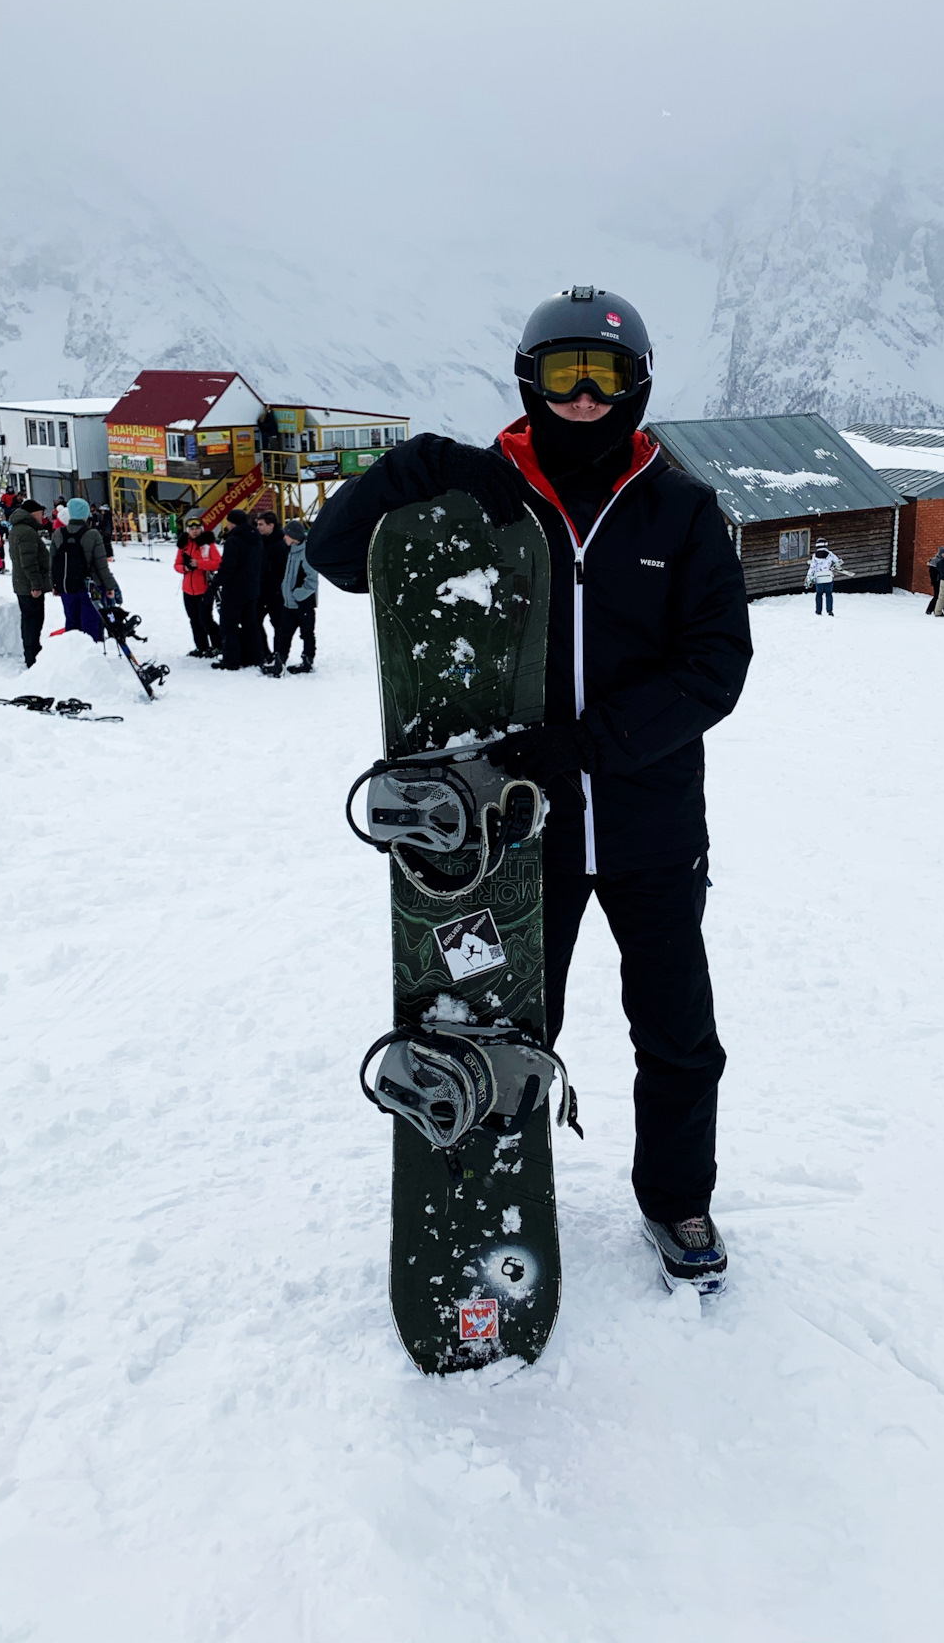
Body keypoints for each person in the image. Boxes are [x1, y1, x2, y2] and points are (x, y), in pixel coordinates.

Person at [306, 286, 753, 1293]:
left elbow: (715, 665)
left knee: (679, 1036)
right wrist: (410, 469)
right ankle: (483, 1195)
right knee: (503, 1027)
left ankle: (678, 1200)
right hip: (514, 837)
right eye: (562, 375)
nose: (583, 397)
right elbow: (336, 558)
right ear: (528, 381)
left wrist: (586, 748)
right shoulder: (476, 501)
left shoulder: (682, 512)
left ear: (635, 387)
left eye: (601, 377)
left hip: (652, 827)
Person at [51, 498, 113, 640]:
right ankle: (92, 654)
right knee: (91, 623)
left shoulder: (58, 534)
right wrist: (109, 586)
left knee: (72, 622)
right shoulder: (93, 534)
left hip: (67, 585)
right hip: (92, 586)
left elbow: (53, 562)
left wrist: (54, 584)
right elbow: (101, 564)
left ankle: (74, 654)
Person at [210, 509, 262, 670]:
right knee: (250, 624)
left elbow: (228, 566)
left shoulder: (234, 540)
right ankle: (254, 657)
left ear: (231, 522)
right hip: (252, 587)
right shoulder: (256, 537)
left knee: (229, 625)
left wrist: (215, 583)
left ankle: (231, 660)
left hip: (234, 590)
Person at [264, 519, 318, 674]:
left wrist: (296, 595)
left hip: (303, 603)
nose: (284, 538)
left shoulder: (306, 553)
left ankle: (307, 661)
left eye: (286, 535)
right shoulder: (293, 550)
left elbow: (311, 581)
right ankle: (279, 664)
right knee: (283, 634)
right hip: (289, 602)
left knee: (306, 633)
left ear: (293, 536)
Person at [8, 496, 52, 667]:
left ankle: (32, 651)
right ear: (33, 513)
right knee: (33, 621)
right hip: (29, 586)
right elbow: (28, 561)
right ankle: (32, 655)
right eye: (40, 513)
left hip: (22, 584)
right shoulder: (26, 532)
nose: (42, 517)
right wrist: (36, 584)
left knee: (30, 620)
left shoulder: (19, 529)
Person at [174, 512, 221, 656]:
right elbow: (177, 564)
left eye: (197, 528)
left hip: (204, 588)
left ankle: (218, 645)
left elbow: (218, 563)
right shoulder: (184, 545)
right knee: (194, 620)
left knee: (205, 619)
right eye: (192, 528)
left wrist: (199, 563)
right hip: (188, 589)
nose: (195, 531)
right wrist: (185, 568)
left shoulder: (208, 545)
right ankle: (201, 647)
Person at [255, 511, 289, 658]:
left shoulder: (281, 544)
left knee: (279, 625)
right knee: (254, 621)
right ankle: (264, 652)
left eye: (261, 524)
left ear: (271, 525)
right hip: (261, 590)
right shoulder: (260, 541)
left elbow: (282, 571)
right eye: (257, 524)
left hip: (276, 592)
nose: (258, 527)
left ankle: (278, 655)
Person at [804, 537, 843, 617]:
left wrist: (808, 577)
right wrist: (835, 567)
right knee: (829, 594)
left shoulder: (815, 556)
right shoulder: (830, 554)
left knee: (819, 594)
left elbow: (812, 567)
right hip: (828, 577)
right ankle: (829, 611)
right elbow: (838, 562)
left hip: (819, 578)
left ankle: (818, 611)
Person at [925, 549, 941, 615]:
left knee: (940, 596)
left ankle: (937, 609)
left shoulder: (939, 560)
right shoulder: (935, 561)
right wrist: (935, 581)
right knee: (937, 596)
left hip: (938, 581)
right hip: (937, 581)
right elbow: (933, 573)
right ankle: (930, 609)